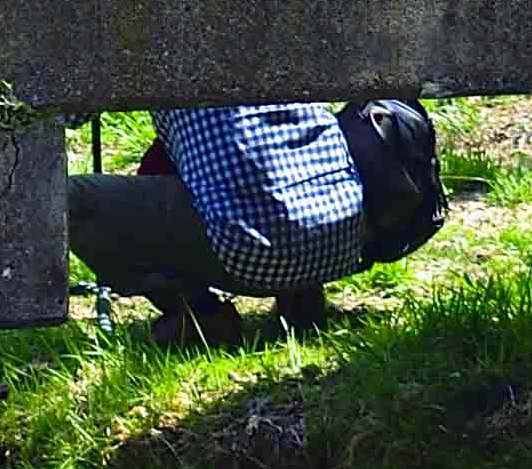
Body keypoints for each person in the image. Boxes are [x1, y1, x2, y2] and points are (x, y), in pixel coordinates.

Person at [62, 98, 455, 347]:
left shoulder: (140, 7)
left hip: (250, 251)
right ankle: (300, 295)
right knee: (267, 136)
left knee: (69, 203)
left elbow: (69, 105)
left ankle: (200, 313)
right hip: (345, 228)